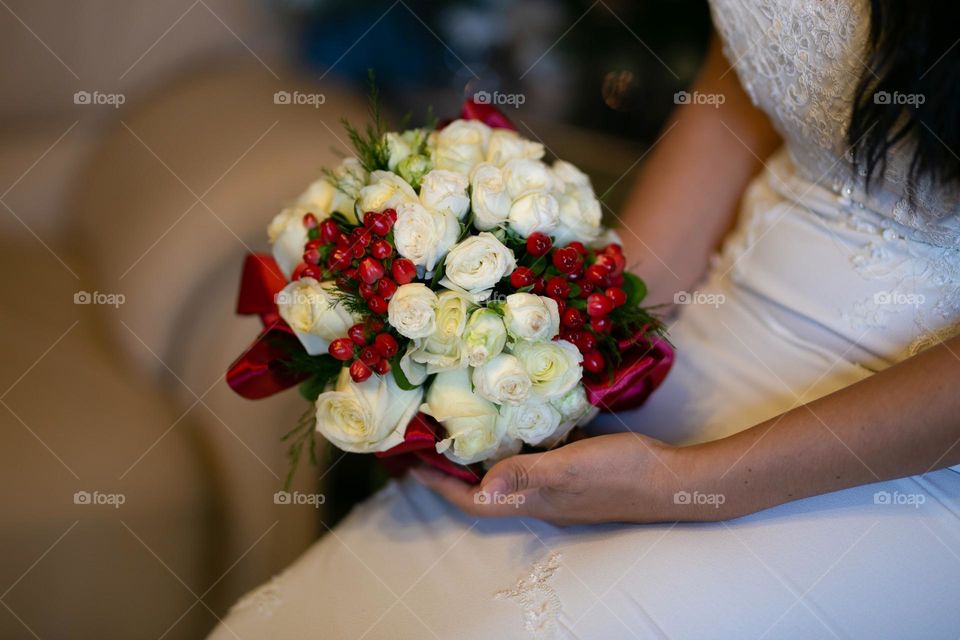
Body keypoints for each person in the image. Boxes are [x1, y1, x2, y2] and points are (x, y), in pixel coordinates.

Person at [212, 1, 960, 637]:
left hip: (903, 449)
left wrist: (684, 485)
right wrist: (570, 351)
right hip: (706, 328)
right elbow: (745, 87)